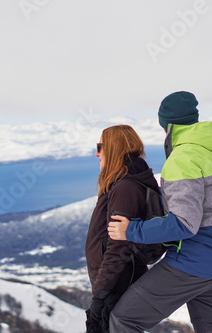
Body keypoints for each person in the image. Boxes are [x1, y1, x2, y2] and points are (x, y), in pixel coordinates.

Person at [107, 91, 212, 333]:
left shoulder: (183, 158)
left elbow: (184, 223)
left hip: (193, 262)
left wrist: (131, 230)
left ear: (166, 125)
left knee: (124, 319)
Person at [85, 125, 164, 333]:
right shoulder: (124, 183)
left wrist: (100, 296)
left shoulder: (125, 187)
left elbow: (119, 248)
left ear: (113, 148)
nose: (97, 153)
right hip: (116, 284)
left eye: (100, 146)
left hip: (118, 285)